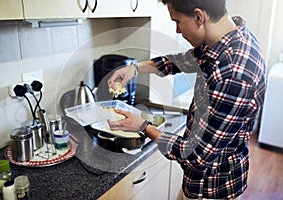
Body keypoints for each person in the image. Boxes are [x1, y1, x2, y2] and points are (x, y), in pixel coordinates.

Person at [107, 0, 266, 199]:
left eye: (178, 21)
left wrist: (143, 126)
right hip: (204, 180)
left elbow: (196, 156)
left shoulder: (234, 74)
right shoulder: (232, 36)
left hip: (213, 188)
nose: (178, 30)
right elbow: (185, 60)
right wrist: (135, 68)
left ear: (199, 17)